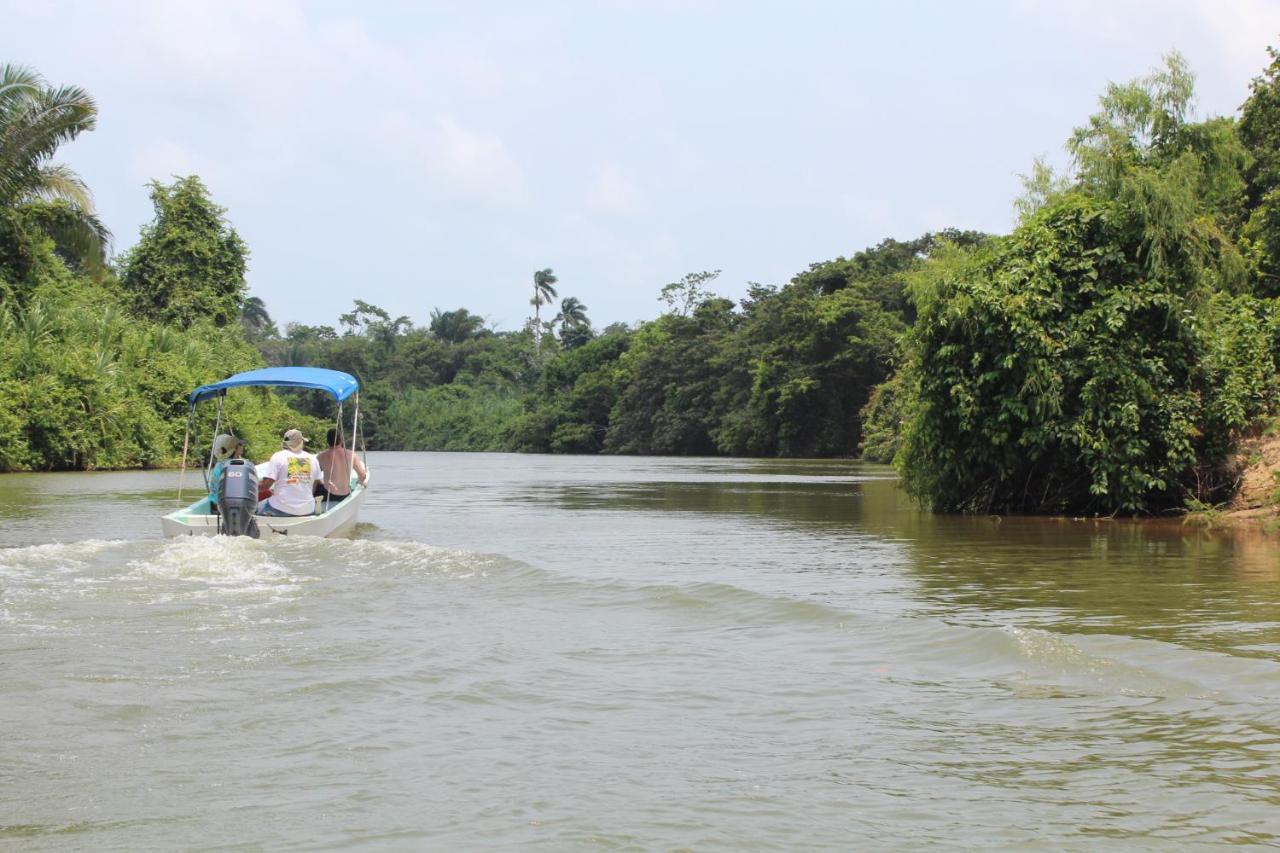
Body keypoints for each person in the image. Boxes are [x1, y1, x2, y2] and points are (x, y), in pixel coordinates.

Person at [259, 428, 324, 517]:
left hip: (280, 509)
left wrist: (249, 489)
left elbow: (265, 486)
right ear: (301, 442)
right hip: (307, 509)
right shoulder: (313, 459)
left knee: (255, 507)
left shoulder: (278, 456)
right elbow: (313, 487)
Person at [314, 427, 368, 510]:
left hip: (328, 495)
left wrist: (320, 482)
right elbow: (363, 476)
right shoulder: (351, 455)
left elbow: (314, 476)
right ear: (341, 440)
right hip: (344, 495)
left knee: (317, 484)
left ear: (327, 441)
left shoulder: (321, 457)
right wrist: (360, 481)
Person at [208, 433, 245, 515]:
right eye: (240, 444)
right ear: (235, 448)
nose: (242, 446)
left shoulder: (219, 464)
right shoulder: (238, 466)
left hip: (215, 507)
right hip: (229, 508)